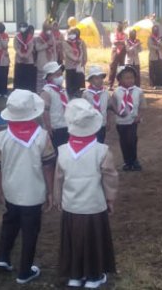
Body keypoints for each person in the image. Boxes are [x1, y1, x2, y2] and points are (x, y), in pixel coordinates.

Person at [0, 89, 56, 284]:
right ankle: (25, 271)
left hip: (11, 191)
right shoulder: (43, 137)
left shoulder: (2, 137)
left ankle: (3, 258)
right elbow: (48, 168)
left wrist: (0, 191)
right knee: (30, 231)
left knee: (9, 223)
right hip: (33, 194)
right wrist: (51, 191)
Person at [55, 98, 118, 289]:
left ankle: (75, 275)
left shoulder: (63, 151)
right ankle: (94, 276)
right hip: (94, 206)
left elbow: (58, 178)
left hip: (71, 206)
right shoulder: (102, 151)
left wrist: (58, 198)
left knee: (74, 240)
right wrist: (110, 199)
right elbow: (110, 177)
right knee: (93, 241)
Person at [114, 65, 143, 171]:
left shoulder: (138, 91)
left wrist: (139, 116)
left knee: (132, 140)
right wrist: (117, 112)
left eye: (132, 77)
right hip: (120, 122)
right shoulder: (117, 92)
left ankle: (134, 160)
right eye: (126, 78)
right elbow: (112, 105)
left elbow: (142, 106)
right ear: (120, 79)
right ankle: (127, 161)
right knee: (123, 141)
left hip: (132, 121)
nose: (130, 80)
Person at [41, 61, 70, 150]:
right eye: (56, 74)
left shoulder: (62, 90)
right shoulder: (46, 91)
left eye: (60, 74)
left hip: (66, 125)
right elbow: (45, 110)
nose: (60, 76)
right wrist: (48, 126)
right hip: (55, 127)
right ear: (49, 76)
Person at [83, 66, 111, 144]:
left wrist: (108, 121)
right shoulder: (86, 94)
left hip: (102, 124)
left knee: (100, 142)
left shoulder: (106, 93)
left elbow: (108, 108)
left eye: (101, 78)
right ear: (90, 80)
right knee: (91, 144)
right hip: (90, 124)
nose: (100, 80)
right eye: (96, 78)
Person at [14, 23, 37, 92]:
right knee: (19, 76)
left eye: (24, 27)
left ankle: (28, 90)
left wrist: (26, 55)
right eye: (21, 27)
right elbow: (16, 47)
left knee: (28, 77)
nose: (22, 28)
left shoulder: (31, 37)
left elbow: (31, 47)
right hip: (19, 59)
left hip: (29, 59)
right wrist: (21, 55)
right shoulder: (17, 37)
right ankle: (18, 90)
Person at [63, 28, 86, 97]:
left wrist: (80, 59)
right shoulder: (65, 42)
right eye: (70, 34)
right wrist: (76, 59)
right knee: (70, 83)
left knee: (77, 81)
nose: (72, 35)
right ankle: (70, 95)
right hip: (70, 66)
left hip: (78, 66)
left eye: (73, 34)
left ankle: (77, 93)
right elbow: (68, 53)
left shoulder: (79, 42)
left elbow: (82, 51)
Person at [35, 22, 57, 91]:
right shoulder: (39, 37)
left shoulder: (52, 36)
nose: (49, 31)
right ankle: (40, 92)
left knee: (50, 77)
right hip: (42, 61)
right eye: (47, 29)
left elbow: (54, 48)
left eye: (50, 29)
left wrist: (55, 60)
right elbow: (37, 48)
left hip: (51, 60)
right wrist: (47, 44)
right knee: (41, 79)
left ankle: (50, 91)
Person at [147, 24, 162, 89]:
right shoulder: (150, 38)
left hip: (161, 57)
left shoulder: (160, 38)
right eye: (154, 30)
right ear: (152, 30)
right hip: (153, 57)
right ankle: (154, 85)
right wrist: (158, 47)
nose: (155, 31)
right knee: (154, 71)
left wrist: (159, 43)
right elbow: (150, 46)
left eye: (157, 30)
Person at [108, 22, 126, 89]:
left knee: (121, 68)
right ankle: (110, 84)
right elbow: (114, 41)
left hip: (123, 52)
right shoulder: (113, 34)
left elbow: (125, 41)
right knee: (113, 67)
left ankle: (121, 84)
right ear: (116, 27)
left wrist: (119, 42)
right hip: (115, 51)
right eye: (118, 26)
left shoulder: (125, 34)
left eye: (121, 26)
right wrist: (121, 42)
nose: (119, 27)